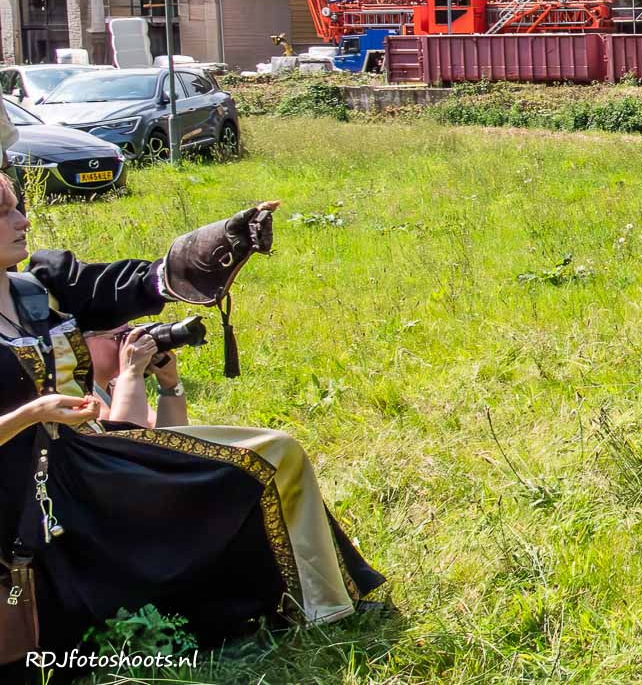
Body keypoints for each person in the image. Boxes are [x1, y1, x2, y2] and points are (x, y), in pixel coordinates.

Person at [0, 175, 383, 675]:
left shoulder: (44, 286)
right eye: (4, 213)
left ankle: (324, 604)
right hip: (19, 493)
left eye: (17, 207)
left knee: (272, 453)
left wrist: (212, 247)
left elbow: (130, 284)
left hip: (90, 458)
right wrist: (32, 413)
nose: (23, 221)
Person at [85, 325, 187, 428]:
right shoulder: (79, 391)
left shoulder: (114, 386)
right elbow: (126, 439)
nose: (127, 344)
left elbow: (171, 438)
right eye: (118, 337)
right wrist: (131, 373)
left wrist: (170, 385)